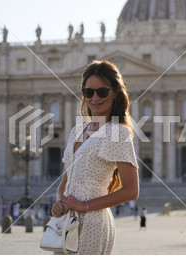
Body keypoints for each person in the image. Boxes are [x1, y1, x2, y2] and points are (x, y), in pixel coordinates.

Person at [51, 60, 139, 255]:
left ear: (115, 93)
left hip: (93, 222)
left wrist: (84, 205)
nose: (95, 97)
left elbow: (131, 191)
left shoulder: (117, 132)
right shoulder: (76, 131)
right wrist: (59, 202)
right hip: (67, 221)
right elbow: (64, 183)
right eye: (89, 92)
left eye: (102, 91)